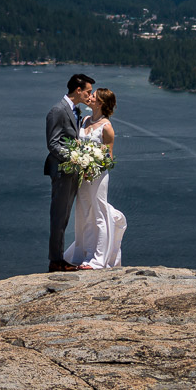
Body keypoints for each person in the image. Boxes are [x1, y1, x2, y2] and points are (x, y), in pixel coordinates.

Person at [63, 88, 125, 270]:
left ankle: (98, 259)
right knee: (83, 212)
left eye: (93, 96)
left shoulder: (107, 127)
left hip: (97, 176)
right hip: (82, 173)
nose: (89, 97)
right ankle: (82, 255)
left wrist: (92, 167)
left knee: (98, 214)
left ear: (100, 103)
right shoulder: (85, 120)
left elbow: (109, 158)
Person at [46, 73, 94, 272]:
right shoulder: (58, 110)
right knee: (59, 216)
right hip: (62, 171)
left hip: (72, 172)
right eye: (88, 92)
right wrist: (73, 158)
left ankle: (59, 257)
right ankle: (56, 260)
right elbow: (53, 144)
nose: (89, 96)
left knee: (64, 216)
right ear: (78, 90)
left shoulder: (76, 111)